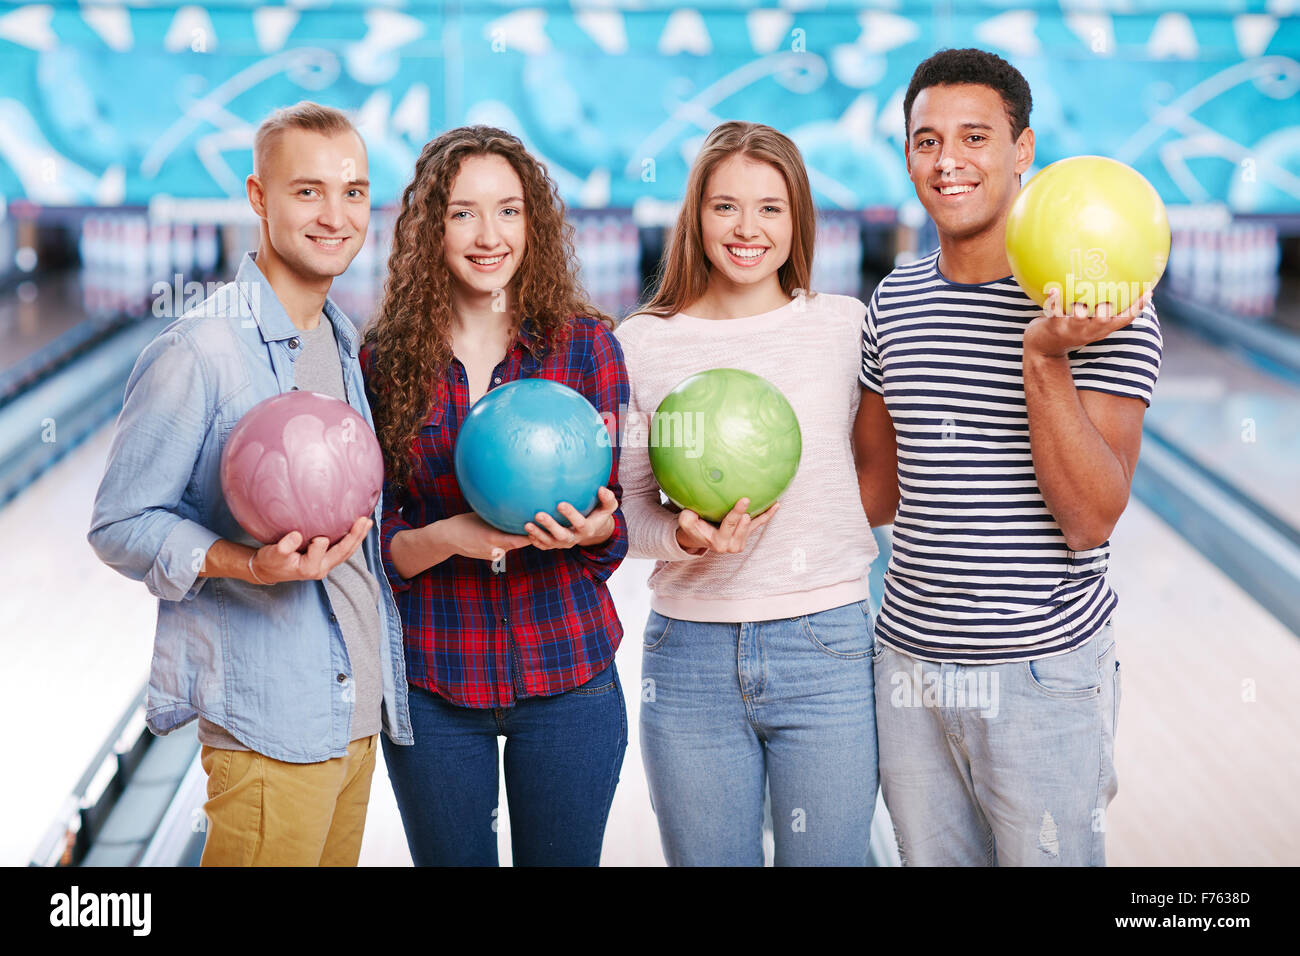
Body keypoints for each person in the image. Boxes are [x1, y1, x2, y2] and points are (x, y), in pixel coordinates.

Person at [853, 48, 1163, 866]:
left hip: (1041, 674)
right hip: (909, 669)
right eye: (926, 141)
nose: (948, 161)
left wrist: (1043, 355)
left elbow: (1090, 518)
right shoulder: (893, 301)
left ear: (1023, 152)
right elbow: (874, 495)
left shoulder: (1104, 307)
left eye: (975, 137)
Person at [88, 102, 412, 866]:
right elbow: (119, 523)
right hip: (273, 725)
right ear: (258, 198)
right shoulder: (201, 351)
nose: (336, 215)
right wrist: (246, 565)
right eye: (308, 192)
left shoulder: (342, 337)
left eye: (354, 192)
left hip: (354, 714)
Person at [360, 126, 630, 867]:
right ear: (428, 229)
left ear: (533, 223)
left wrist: (593, 528)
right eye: (462, 213)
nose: (489, 235)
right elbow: (371, 548)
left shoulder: (586, 348)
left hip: (568, 677)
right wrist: (451, 536)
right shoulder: (382, 362)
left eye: (509, 211)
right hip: (436, 682)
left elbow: (616, 533)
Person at [616, 121, 879, 866]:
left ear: (798, 220)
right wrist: (682, 537)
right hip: (688, 652)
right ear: (695, 215)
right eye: (725, 206)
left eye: (770, 207)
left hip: (825, 643)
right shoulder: (642, 341)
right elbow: (631, 513)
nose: (746, 228)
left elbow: (874, 479)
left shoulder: (843, 328)